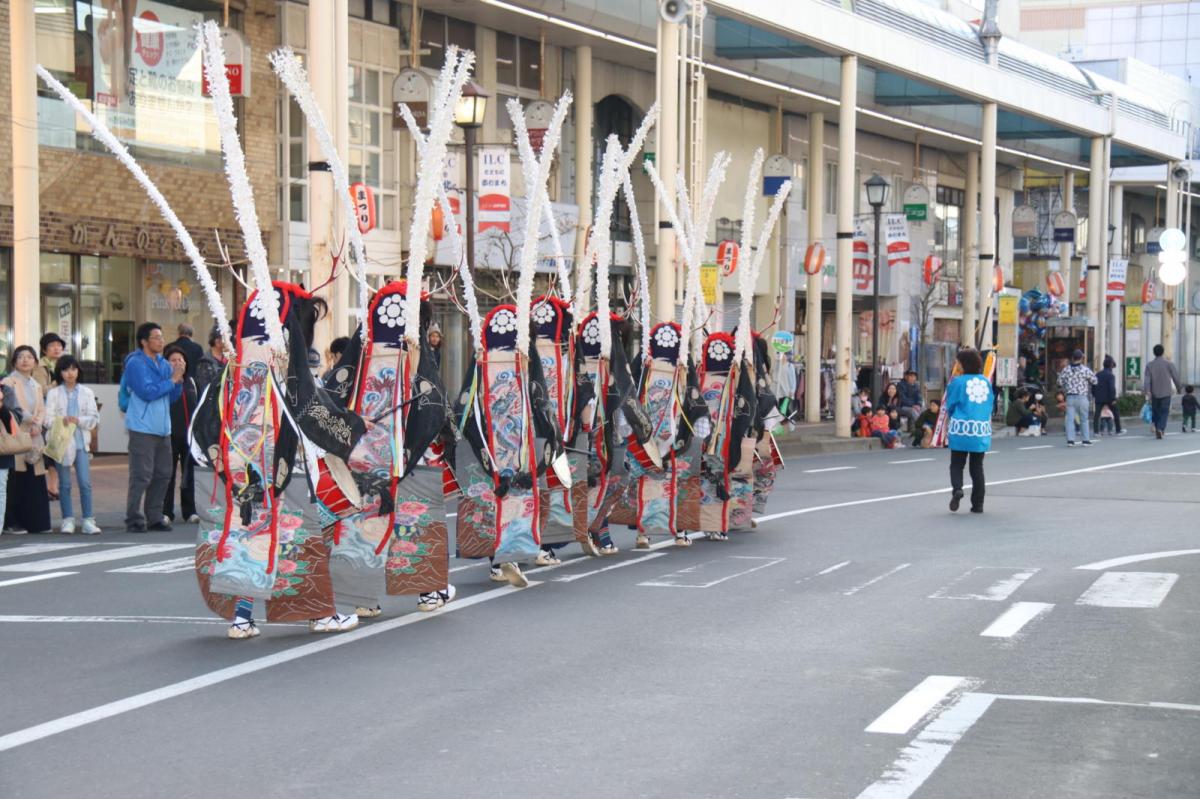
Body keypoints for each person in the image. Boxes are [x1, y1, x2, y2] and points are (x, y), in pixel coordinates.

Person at [124, 323, 183, 533]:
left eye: (162, 337)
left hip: (163, 428)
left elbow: (173, 397)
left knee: (163, 474)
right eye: (156, 337)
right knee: (141, 474)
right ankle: (134, 517)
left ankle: (155, 516)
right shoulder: (135, 363)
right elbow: (146, 392)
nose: (161, 341)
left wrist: (178, 381)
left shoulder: (164, 364)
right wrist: (172, 380)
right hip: (142, 427)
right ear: (144, 341)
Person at [44, 355, 100, 534]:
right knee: (65, 484)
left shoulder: (87, 392)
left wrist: (78, 420)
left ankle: (88, 519)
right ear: (60, 372)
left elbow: (93, 418)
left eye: (73, 369)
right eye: (66, 370)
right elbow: (47, 419)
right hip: (61, 443)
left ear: (78, 371)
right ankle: (67, 519)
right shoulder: (54, 393)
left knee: (85, 483)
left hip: (81, 442)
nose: (70, 373)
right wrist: (62, 421)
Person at [2, 346, 52, 534]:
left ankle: (36, 522)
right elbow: (10, 407)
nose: (25, 360)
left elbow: (42, 408)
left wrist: (37, 423)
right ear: (14, 361)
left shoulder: (36, 384)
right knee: (15, 480)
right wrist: (31, 421)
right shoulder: (9, 381)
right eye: (20, 357)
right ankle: (12, 522)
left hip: (34, 435)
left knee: (34, 478)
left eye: (29, 357)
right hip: (16, 434)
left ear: (35, 362)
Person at [944, 347, 993, 514]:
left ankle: (957, 489)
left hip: (960, 428)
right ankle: (978, 504)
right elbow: (990, 406)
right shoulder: (986, 381)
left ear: (963, 364)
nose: (956, 365)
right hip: (980, 429)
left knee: (957, 464)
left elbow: (950, 405)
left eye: (957, 362)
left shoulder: (957, 382)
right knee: (977, 467)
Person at [162, 344, 198, 524]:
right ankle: (166, 511)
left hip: (189, 436)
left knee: (189, 474)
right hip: (168, 434)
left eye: (181, 360)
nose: (178, 363)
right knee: (168, 474)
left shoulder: (191, 382)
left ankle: (190, 511)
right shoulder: (165, 382)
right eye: (173, 360)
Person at [33, 332, 66, 500]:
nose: (57, 348)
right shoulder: (40, 367)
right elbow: (40, 390)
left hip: (61, 415)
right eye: (52, 346)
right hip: (46, 415)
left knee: (57, 451)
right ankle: (51, 487)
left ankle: (53, 486)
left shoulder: (64, 365)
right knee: (49, 452)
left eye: (59, 345)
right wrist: (57, 382)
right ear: (44, 349)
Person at [1057, 349, 1097, 447]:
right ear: (1081, 358)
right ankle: (1085, 440)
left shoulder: (1066, 369)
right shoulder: (1085, 369)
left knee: (1069, 419)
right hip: (1082, 396)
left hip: (1070, 396)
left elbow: (1059, 382)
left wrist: (1067, 384)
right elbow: (1095, 381)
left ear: (1072, 358)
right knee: (1084, 419)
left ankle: (1070, 440)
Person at [1144, 343, 1181, 440]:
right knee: (1164, 412)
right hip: (1166, 392)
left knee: (1156, 412)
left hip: (1154, 392)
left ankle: (1157, 429)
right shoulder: (1169, 364)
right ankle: (1161, 429)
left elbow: (1147, 380)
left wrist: (1147, 391)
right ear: (1163, 352)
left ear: (1154, 353)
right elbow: (1176, 377)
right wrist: (1179, 388)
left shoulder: (1149, 365)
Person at [1092, 355, 1123, 436]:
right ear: (1110, 365)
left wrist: (1094, 394)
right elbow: (1112, 388)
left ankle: (1096, 431)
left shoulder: (1097, 374)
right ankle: (1118, 430)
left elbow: (1093, 385)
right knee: (1115, 412)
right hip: (1109, 397)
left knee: (1097, 414)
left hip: (1099, 397)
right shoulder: (1111, 375)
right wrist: (1113, 398)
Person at [0, 390, 16, 535]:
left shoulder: (6, 389)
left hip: (2, 450)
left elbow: (15, 418)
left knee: (0, 489)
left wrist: (1, 405)